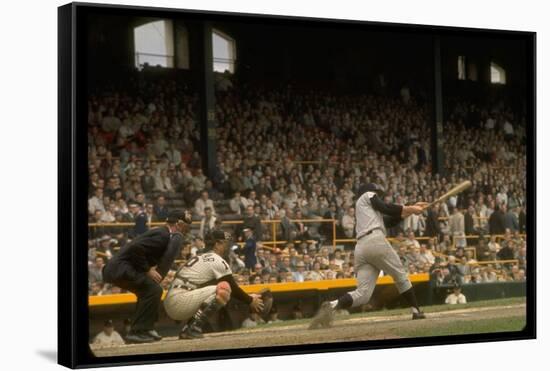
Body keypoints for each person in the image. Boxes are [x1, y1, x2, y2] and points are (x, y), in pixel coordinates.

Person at [309, 183, 427, 329]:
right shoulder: (366, 196)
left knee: (363, 294)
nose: (377, 195)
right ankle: (416, 310)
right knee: (400, 276)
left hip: (362, 248)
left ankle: (333, 305)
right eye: (376, 192)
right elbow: (386, 208)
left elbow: (390, 220)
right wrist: (411, 208)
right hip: (375, 242)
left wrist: (412, 209)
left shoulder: (366, 214)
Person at [102, 209, 192, 344]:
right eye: (185, 224)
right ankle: (137, 331)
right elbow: (136, 248)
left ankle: (145, 329)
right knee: (153, 290)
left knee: (148, 291)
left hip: (119, 268)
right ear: (178, 224)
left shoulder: (164, 234)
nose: (187, 228)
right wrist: (147, 269)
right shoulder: (163, 235)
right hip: (120, 268)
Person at [163, 229, 264, 339]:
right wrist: (250, 300)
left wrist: (248, 298)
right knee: (224, 288)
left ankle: (188, 328)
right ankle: (192, 328)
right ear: (217, 244)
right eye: (225, 243)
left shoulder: (200, 257)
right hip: (181, 300)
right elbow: (232, 287)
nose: (227, 247)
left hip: (175, 299)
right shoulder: (215, 259)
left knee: (221, 288)